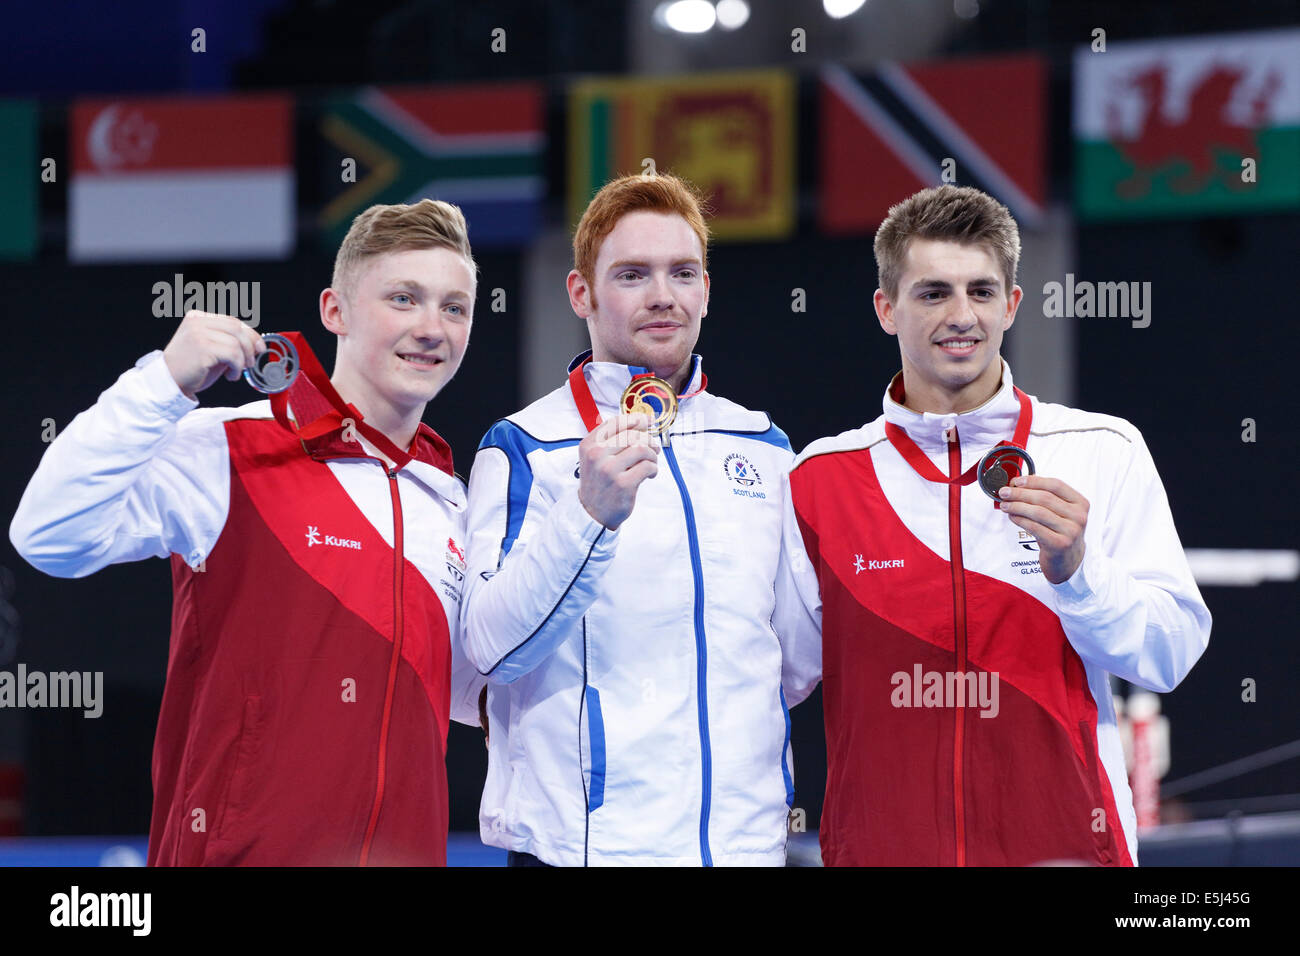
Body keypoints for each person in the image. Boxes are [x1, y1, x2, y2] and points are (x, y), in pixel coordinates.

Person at [10, 199, 481, 866]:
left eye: (454, 307)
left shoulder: (450, 501)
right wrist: (163, 384)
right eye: (403, 299)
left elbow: (469, 695)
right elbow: (47, 534)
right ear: (335, 312)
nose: (432, 327)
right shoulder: (231, 449)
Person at [780, 185, 1211, 866]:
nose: (961, 316)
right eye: (933, 293)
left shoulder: (1102, 449)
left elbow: (1170, 655)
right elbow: (765, 680)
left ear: (1010, 305)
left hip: (1067, 850)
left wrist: (1079, 573)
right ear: (886, 310)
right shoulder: (818, 480)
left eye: (981, 291)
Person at [458, 173, 814, 866]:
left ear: (705, 291)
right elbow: (490, 652)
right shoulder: (523, 447)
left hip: (744, 848)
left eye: (682, 273)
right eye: (632, 274)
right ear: (581, 294)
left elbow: (791, 660)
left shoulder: (764, 447)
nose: (662, 295)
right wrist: (586, 516)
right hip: (587, 850)